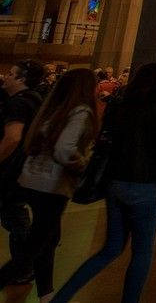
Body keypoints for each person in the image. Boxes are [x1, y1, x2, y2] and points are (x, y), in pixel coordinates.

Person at [51, 63, 156, 303]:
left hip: (114, 182)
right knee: (142, 252)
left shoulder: (118, 106)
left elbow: (105, 142)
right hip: (143, 185)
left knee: (111, 248)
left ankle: (62, 297)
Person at [8, 68, 96, 302]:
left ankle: (46, 294)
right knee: (35, 246)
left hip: (32, 180)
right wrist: (83, 163)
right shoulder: (81, 112)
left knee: (45, 240)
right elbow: (65, 150)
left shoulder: (52, 109)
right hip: (53, 185)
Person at [0, 60, 46, 286]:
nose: (6, 76)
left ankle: (23, 266)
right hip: (25, 169)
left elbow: (13, 137)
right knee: (16, 216)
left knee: (15, 217)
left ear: (21, 79)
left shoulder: (18, 104)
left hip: (11, 170)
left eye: (11, 73)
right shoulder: (36, 99)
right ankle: (25, 265)